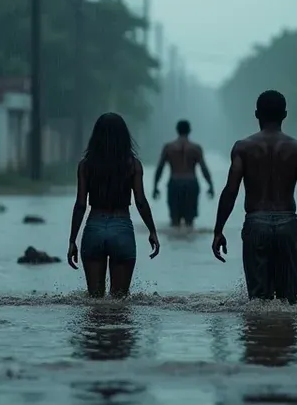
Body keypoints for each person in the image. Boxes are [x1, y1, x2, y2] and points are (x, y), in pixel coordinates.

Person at [211, 90, 297, 304]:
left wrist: (218, 230)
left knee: (257, 303)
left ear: (256, 114)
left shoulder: (243, 148)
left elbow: (230, 191)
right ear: (285, 115)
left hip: (256, 224)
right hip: (288, 224)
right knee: (288, 302)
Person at [67, 112, 160, 298]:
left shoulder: (85, 166)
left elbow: (80, 205)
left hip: (94, 229)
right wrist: (152, 231)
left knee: (95, 301)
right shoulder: (133, 165)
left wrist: (72, 240)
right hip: (121, 228)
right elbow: (141, 201)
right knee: (120, 301)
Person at [153, 119, 214, 229]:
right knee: (190, 222)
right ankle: (189, 239)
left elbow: (160, 168)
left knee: (174, 221)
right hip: (191, 183)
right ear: (189, 130)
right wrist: (210, 185)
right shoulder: (196, 148)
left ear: (177, 130)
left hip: (174, 183)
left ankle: (175, 239)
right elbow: (203, 168)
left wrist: (155, 186)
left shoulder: (168, 147)